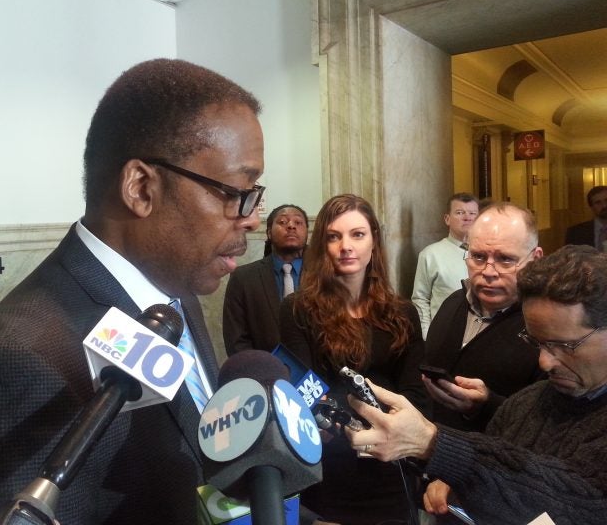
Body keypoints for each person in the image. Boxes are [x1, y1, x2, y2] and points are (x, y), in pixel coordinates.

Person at [0, 59, 267, 525]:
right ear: (140, 188)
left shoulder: (174, 293)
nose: (253, 216)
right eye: (236, 190)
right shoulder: (18, 362)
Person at [344, 245, 607, 525]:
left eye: (564, 346)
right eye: (537, 342)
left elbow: (577, 502)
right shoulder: (526, 403)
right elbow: (501, 469)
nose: (544, 362)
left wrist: (433, 444)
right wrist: (457, 481)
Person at [280, 194, 428, 525]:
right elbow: (305, 389)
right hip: (331, 464)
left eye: (357, 234)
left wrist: (397, 432)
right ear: (323, 246)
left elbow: (415, 393)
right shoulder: (297, 309)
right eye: (334, 236)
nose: (346, 245)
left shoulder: (403, 313)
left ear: (374, 241)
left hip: (393, 464)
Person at [423, 202, 543, 433]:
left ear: (535, 258)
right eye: (478, 257)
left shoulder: (548, 327)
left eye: (505, 259)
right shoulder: (453, 303)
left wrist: (488, 407)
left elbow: (549, 426)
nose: (488, 271)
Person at [223, 203, 309, 354]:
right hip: (264, 373)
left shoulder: (324, 275)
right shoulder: (243, 278)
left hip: (316, 375)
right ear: (269, 232)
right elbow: (237, 341)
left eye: (298, 222)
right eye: (282, 222)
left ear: (307, 232)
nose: (291, 226)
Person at [412, 192, 478, 338]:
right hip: (444, 335)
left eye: (472, 213)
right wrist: (427, 336)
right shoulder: (430, 255)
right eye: (460, 212)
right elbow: (420, 299)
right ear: (447, 219)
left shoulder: (488, 254)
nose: (467, 217)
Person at [564, 185, 607, 250]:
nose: (604, 205)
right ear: (592, 207)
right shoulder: (576, 233)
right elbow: (568, 258)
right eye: (598, 203)